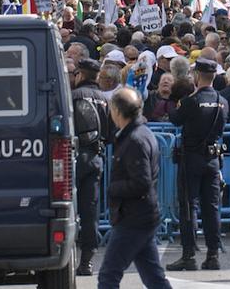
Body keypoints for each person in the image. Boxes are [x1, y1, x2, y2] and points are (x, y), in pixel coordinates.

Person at [98, 88, 172, 289]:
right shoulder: (140, 134)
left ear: (117, 111)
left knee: (108, 276)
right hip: (142, 215)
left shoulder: (135, 140)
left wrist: (113, 188)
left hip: (133, 217)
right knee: (154, 277)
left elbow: (141, 182)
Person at [167, 58, 226, 272]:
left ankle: (188, 255)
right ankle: (213, 255)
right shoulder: (222, 101)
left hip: (191, 158)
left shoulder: (191, 101)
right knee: (211, 208)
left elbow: (175, 118)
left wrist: (178, 101)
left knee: (188, 207)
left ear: (197, 76)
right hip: (212, 159)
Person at [69, 59, 109, 277]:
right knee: (90, 210)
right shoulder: (104, 99)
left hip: (72, 158)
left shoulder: (73, 96)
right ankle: (87, 261)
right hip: (95, 158)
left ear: (80, 74)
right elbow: (110, 134)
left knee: (66, 207)